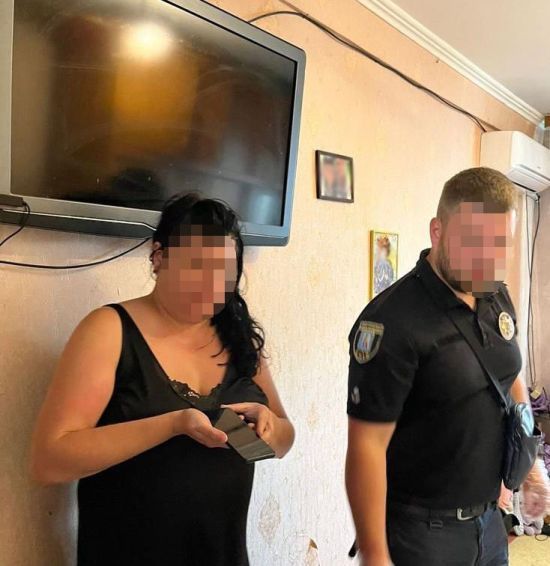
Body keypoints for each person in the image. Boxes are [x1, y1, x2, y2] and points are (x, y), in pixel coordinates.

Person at [30, 193, 294, 566]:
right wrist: (173, 425)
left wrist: (267, 429)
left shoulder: (238, 338)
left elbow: (283, 440)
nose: (211, 283)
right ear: (159, 257)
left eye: (224, 271)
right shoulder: (108, 330)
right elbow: (48, 461)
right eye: (197, 266)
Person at [345, 167, 550, 566]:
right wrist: (375, 554)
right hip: (423, 535)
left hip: (490, 522)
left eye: (499, 245)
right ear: (437, 231)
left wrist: (530, 467)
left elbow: (509, 377)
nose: (487, 260)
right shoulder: (391, 322)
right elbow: (366, 447)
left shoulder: (494, 294)